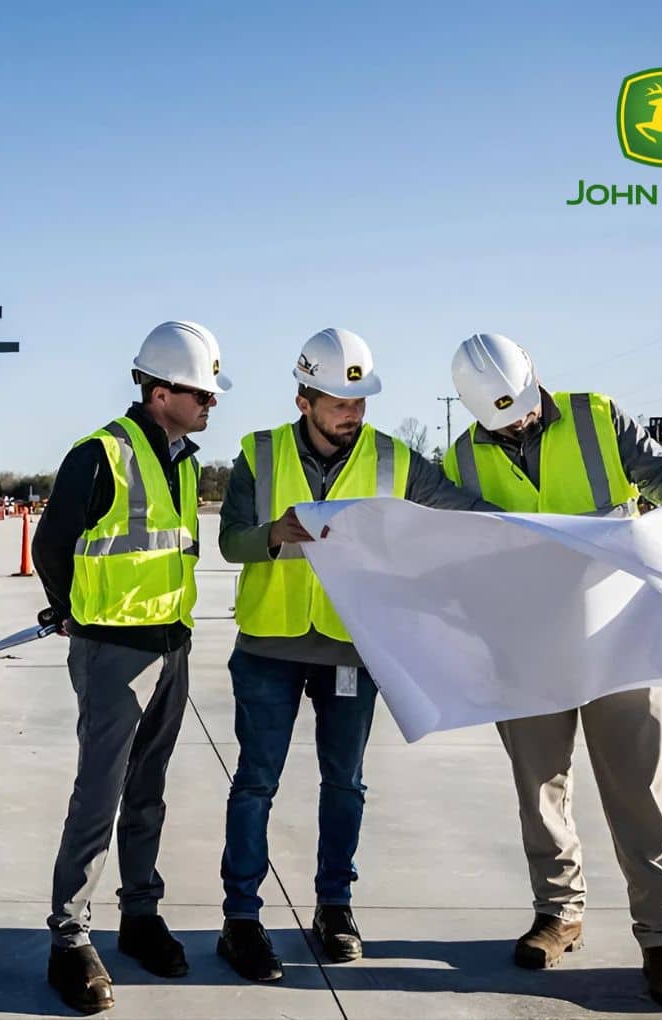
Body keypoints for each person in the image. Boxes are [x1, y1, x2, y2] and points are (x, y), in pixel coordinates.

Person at [444, 332, 662, 1010]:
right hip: (528, 651)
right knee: (539, 787)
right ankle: (558, 914)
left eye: (520, 409)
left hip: (619, 640)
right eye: (500, 419)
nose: (516, 424)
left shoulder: (596, 416)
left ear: (533, 380)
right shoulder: (461, 456)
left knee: (642, 791)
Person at [216, 327, 500, 982]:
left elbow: (464, 514)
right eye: (339, 403)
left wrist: (549, 535)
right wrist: (274, 534)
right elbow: (231, 542)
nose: (353, 414)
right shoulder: (258, 455)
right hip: (269, 647)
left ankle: (335, 908)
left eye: (360, 401)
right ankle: (240, 920)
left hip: (352, 649)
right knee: (256, 782)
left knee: (345, 782)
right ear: (303, 399)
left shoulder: (396, 459)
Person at [31, 320, 229, 1014]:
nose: (212, 403)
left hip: (171, 646)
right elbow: (51, 546)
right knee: (100, 794)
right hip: (114, 652)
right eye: (202, 392)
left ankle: (140, 915)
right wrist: (73, 614)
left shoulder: (184, 458)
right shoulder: (99, 455)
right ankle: (70, 938)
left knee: (148, 791)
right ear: (160, 390)